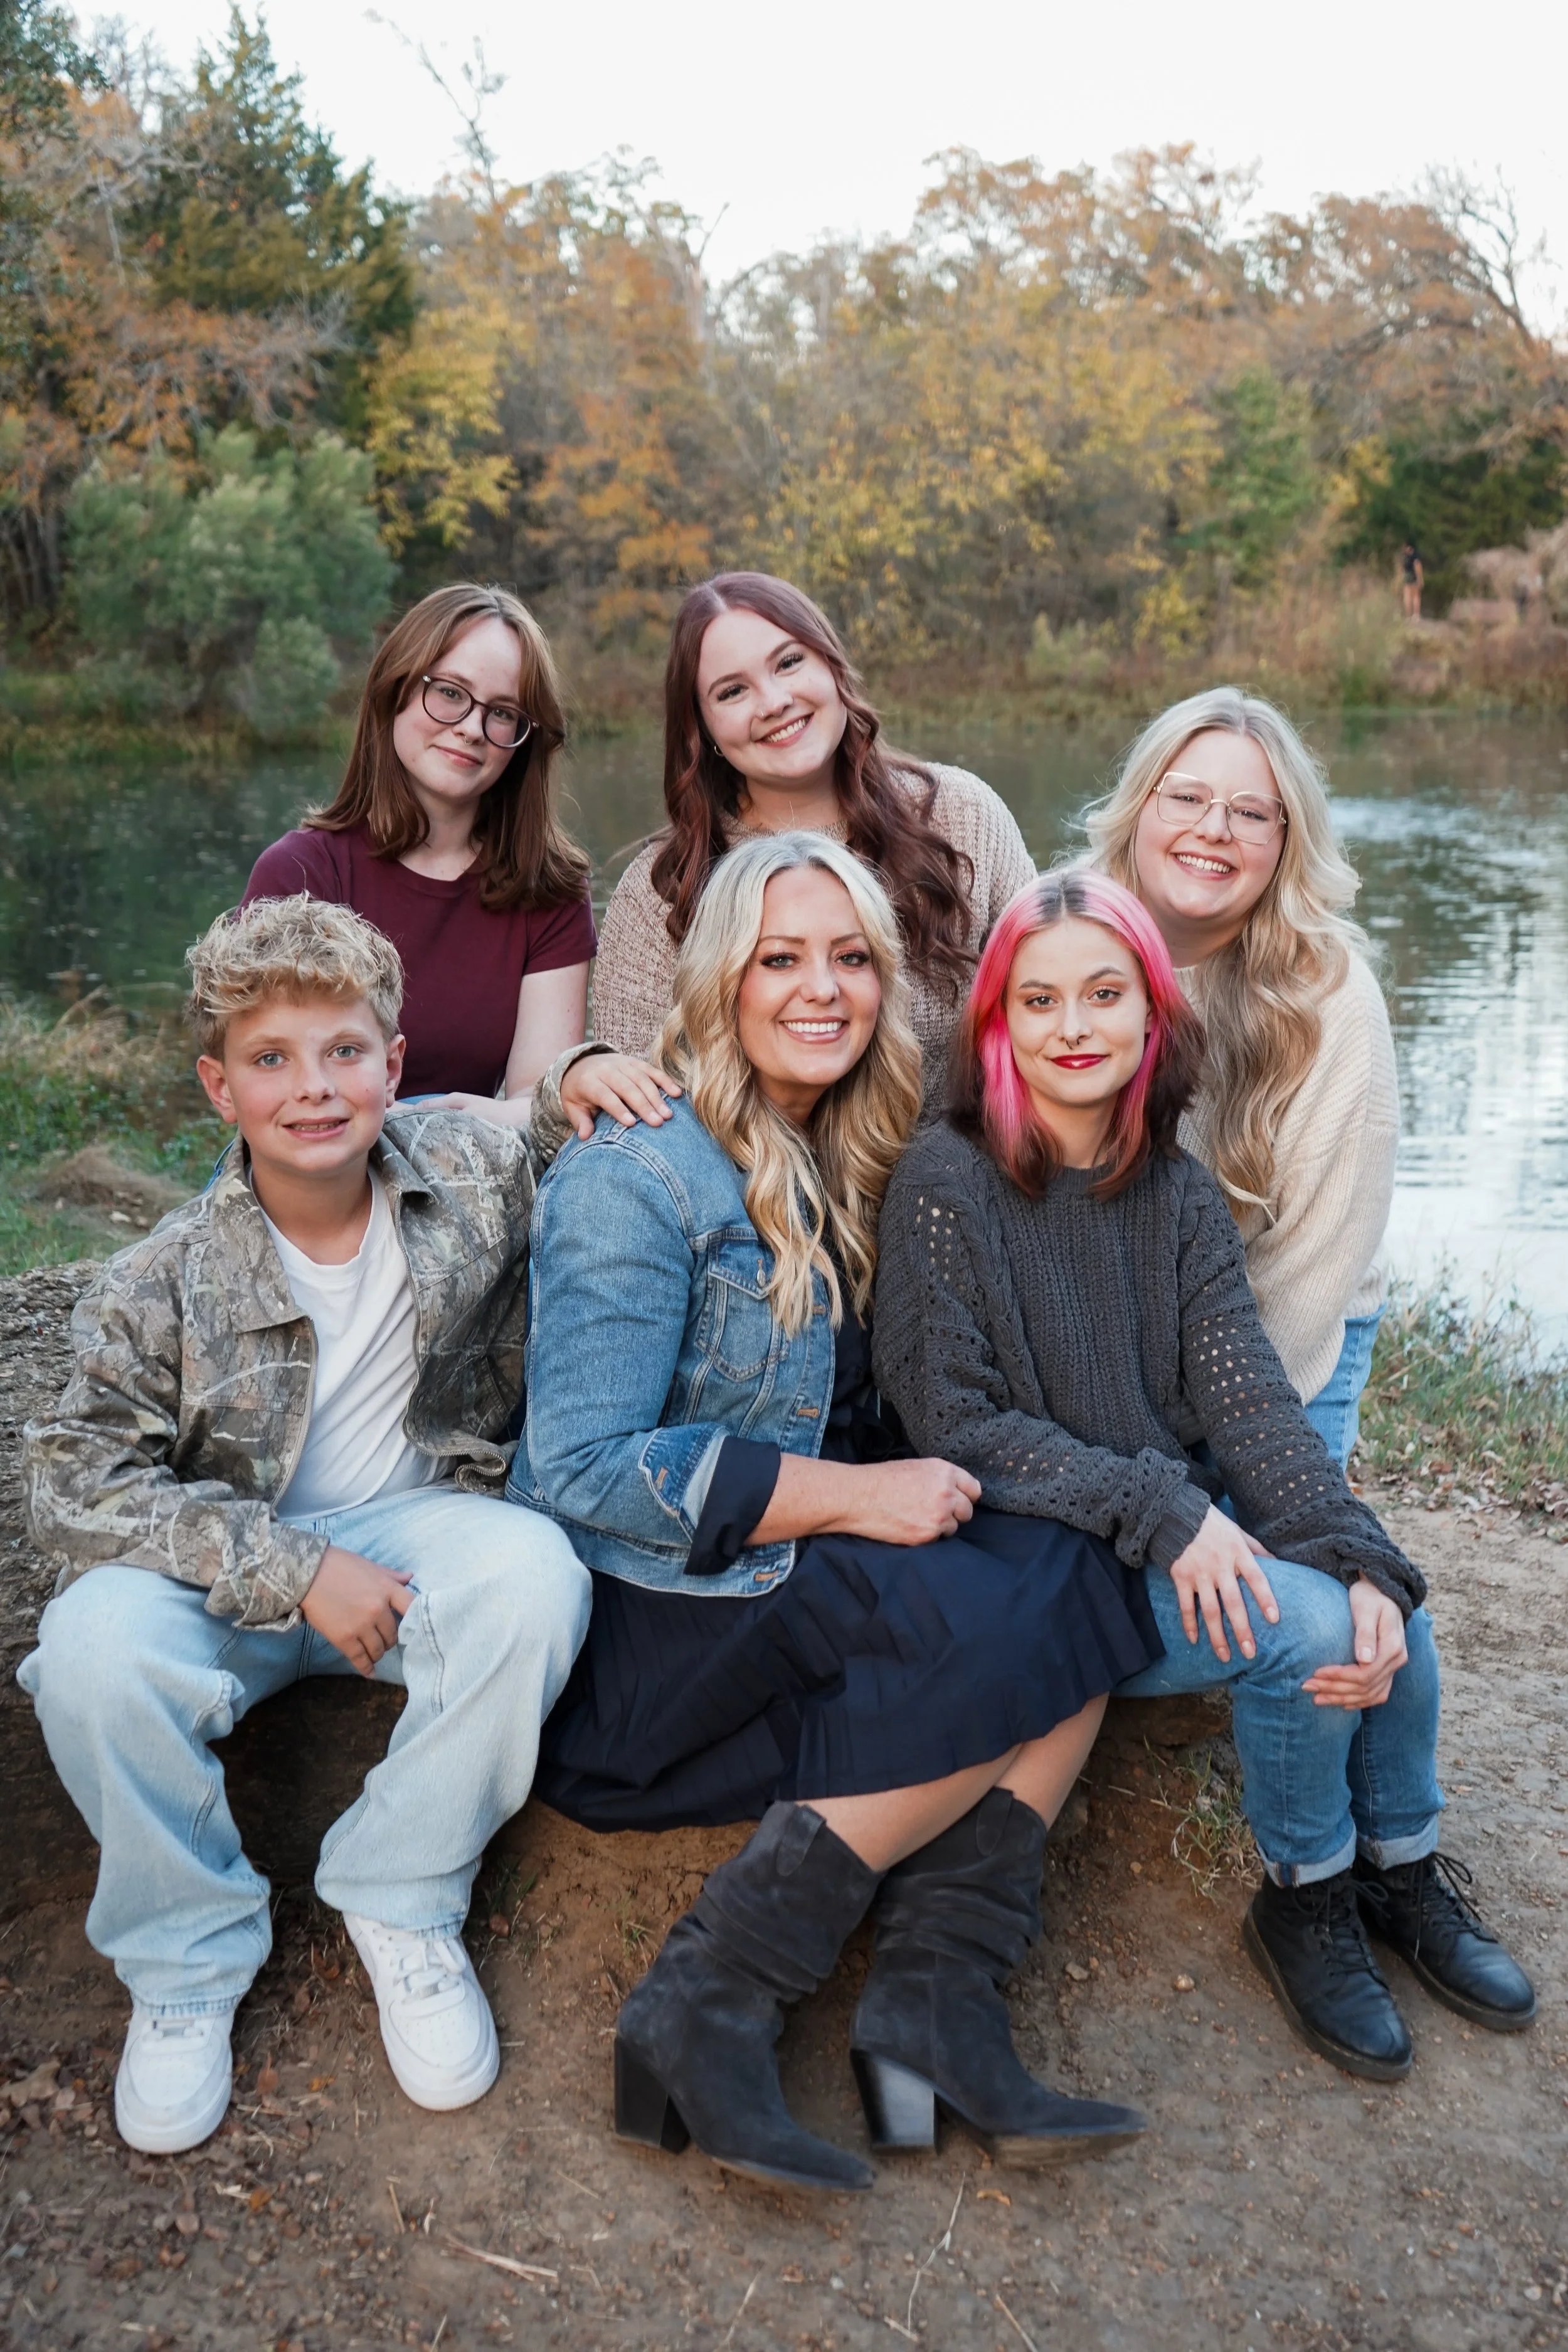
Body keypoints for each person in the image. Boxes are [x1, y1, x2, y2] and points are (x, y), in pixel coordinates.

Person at [510, 832, 1160, 2190]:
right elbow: (579, 1466)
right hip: (667, 1624)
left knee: (1082, 1560)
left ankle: (937, 2003)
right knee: (1009, 1620)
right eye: (779, 958)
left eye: (850, 959)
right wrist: (858, 1499)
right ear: (719, 985)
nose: (821, 988)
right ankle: (705, 1999)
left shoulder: (859, 1154)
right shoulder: (636, 1171)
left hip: (788, 1570)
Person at [874, 870, 1535, 2084]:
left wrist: (1355, 1544)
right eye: (1041, 999)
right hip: (1044, 1573)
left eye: (1105, 993)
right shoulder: (945, 1183)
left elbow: (1248, 1406)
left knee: (1387, 1605)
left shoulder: (1175, 1191)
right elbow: (955, 1426)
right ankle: (1305, 1893)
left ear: (1150, 1015)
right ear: (999, 1026)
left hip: (1159, 1535)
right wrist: (1168, 1512)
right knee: (1309, 1629)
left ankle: (1403, 1871)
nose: (1075, 1026)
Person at [16, 894, 624, 2154]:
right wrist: (294, 1570)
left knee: (535, 1579)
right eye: (271, 1060)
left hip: (417, 1531)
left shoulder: (467, 1171)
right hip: (227, 1561)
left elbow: (562, 1116)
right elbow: (72, 1475)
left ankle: (401, 1888)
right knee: (84, 1651)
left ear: (393, 1065)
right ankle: (186, 1955)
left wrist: (583, 1067)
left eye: (345, 1051)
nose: (314, 1088)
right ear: (218, 1087)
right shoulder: (163, 1276)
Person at [1085, 686, 1396, 1465]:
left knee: (1264, 1582)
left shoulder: (1331, 1000)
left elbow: (1308, 1277)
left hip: (1288, 1339)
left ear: (1286, 838)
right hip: (1107, 1342)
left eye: (1250, 813)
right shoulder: (1064, 939)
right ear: (1139, 806)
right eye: (1186, 796)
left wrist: (1197, 1450)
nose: (1212, 829)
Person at [590, 573, 1036, 1110]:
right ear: (702, 729)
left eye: (789, 662)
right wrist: (567, 1077)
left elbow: (1053, 995)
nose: (775, 701)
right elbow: (625, 1102)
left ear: (832, 666)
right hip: (744, 1187)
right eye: (732, 691)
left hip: (956, 1179)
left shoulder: (962, 817)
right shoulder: (661, 886)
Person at [245, 583, 668, 1138]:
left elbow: (535, 1099)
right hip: (313, 1158)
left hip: (468, 1156)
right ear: (394, 690)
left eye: (502, 712)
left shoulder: (550, 890)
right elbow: (266, 1075)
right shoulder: (300, 874)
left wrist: (481, 1121)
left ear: (523, 740)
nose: (471, 727)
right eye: (449, 692)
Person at [1400, 541, 1424, 620]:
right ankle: (1416, 615)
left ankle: (1408, 615)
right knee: (1416, 596)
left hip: (1407, 577)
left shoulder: (1405, 557)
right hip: (1414, 576)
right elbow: (1418, 567)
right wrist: (1420, 579)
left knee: (1407, 596)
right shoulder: (1415, 556)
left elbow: (1402, 569)